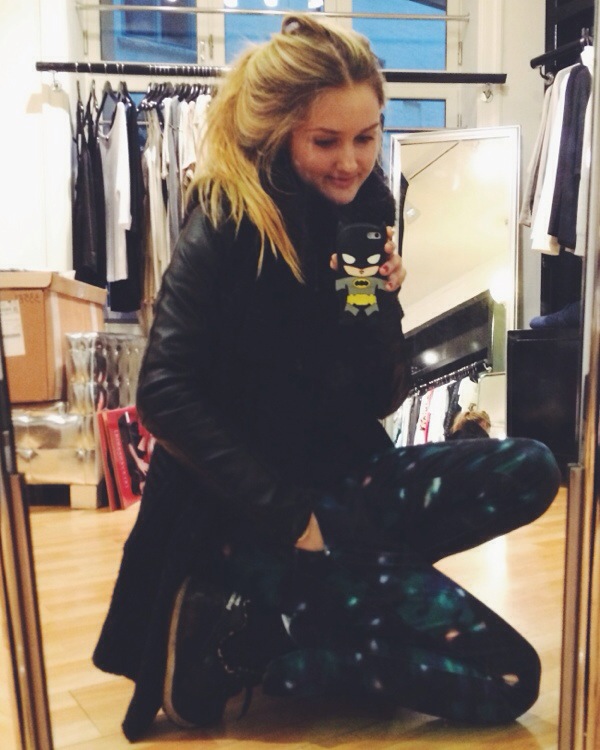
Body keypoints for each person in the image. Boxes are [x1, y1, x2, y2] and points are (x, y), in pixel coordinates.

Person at [93, 14, 561, 741]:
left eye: (367, 137)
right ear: (281, 132)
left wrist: (380, 306)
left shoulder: (366, 209)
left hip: (348, 485)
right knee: (508, 681)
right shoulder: (228, 218)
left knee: (532, 468)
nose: (351, 161)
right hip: (255, 518)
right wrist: (293, 520)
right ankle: (258, 638)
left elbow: (380, 396)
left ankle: (327, 613)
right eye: (326, 141)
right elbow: (163, 390)